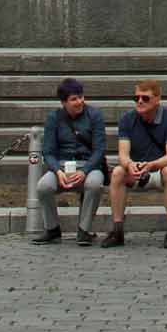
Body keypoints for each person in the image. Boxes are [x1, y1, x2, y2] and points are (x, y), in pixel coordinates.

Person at [104, 78, 167, 249]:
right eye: (137, 98)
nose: (140, 101)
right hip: (138, 170)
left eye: (145, 98)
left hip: (161, 168)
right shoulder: (127, 118)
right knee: (118, 172)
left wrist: (151, 165)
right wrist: (129, 165)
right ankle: (117, 230)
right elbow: (123, 154)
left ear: (157, 99)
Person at [35, 77, 107, 244]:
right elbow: (48, 152)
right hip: (61, 165)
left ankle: (84, 229)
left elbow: (99, 150)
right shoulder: (54, 118)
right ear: (64, 102)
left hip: (89, 164)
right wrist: (57, 171)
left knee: (95, 184)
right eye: (74, 99)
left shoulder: (94, 116)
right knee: (44, 187)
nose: (79, 101)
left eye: (81, 97)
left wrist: (84, 171)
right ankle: (52, 229)